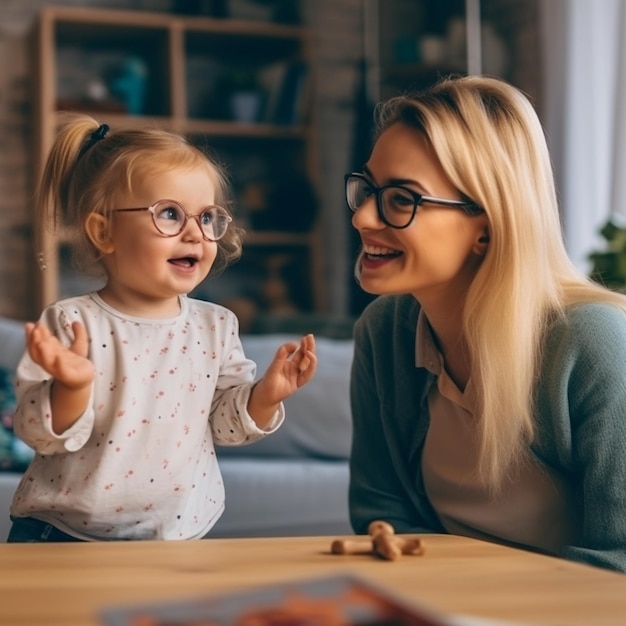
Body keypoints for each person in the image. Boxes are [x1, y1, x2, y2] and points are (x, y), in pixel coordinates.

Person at [345, 74, 626, 573]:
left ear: (487, 227)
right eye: (367, 188)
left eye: (402, 199)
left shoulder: (593, 345)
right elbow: (380, 516)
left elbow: (618, 560)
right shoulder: (383, 332)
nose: (364, 217)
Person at [8, 114, 317, 542]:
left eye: (207, 217)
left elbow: (226, 426)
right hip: (64, 534)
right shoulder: (72, 323)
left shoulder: (216, 326)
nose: (195, 233)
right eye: (170, 214)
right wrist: (73, 387)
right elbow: (37, 434)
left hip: (175, 536)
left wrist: (264, 395)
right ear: (104, 231)